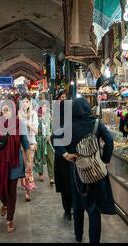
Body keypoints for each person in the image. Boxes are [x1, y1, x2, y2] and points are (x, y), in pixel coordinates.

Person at [54, 97, 115, 243]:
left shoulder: (67, 125)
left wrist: (66, 154)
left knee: (78, 204)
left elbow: (54, 139)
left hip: (76, 171)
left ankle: (78, 235)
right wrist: (104, 159)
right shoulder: (96, 124)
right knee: (94, 208)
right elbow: (110, 141)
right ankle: (94, 240)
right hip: (95, 171)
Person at [0, 97, 31, 233]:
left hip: (15, 163)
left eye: (8, 110)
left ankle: (9, 220)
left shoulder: (20, 124)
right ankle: (5, 203)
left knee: (12, 191)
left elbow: (26, 144)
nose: (6, 112)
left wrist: (29, 162)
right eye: (4, 110)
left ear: (14, 110)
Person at [52, 89, 73, 221]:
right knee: (67, 184)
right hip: (65, 156)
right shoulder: (58, 117)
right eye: (62, 97)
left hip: (67, 155)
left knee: (69, 184)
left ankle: (69, 208)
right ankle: (68, 208)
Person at [18, 94, 38, 201]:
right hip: (20, 144)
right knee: (23, 166)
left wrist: (28, 125)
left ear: (30, 103)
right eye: (23, 101)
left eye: (27, 101)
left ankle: (27, 191)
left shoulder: (34, 114)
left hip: (30, 143)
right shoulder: (18, 114)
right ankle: (25, 184)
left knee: (29, 167)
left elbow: (36, 131)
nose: (25, 104)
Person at [33, 93, 55, 186]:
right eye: (43, 107)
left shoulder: (50, 117)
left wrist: (50, 135)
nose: (44, 109)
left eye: (46, 106)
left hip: (48, 141)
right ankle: (41, 173)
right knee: (39, 157)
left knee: (50, 158)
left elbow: (53, 128)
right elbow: (35, 129)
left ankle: (51, 177)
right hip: (40, 140)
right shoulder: (36, 117)